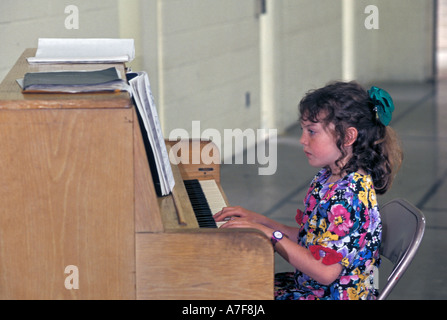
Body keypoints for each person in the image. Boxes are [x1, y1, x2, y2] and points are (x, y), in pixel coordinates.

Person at [214, 81, 403, 300]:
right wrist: (261, 222)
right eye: (304, 130)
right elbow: (312, 242)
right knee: (234, 284)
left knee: (231, 293)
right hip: (312, 288)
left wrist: (271, 235)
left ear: (349, 137)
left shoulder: (348, 196)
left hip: (331, 295)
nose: (303, 140)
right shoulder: (329, 176)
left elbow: (325, 272)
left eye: (312, 131)